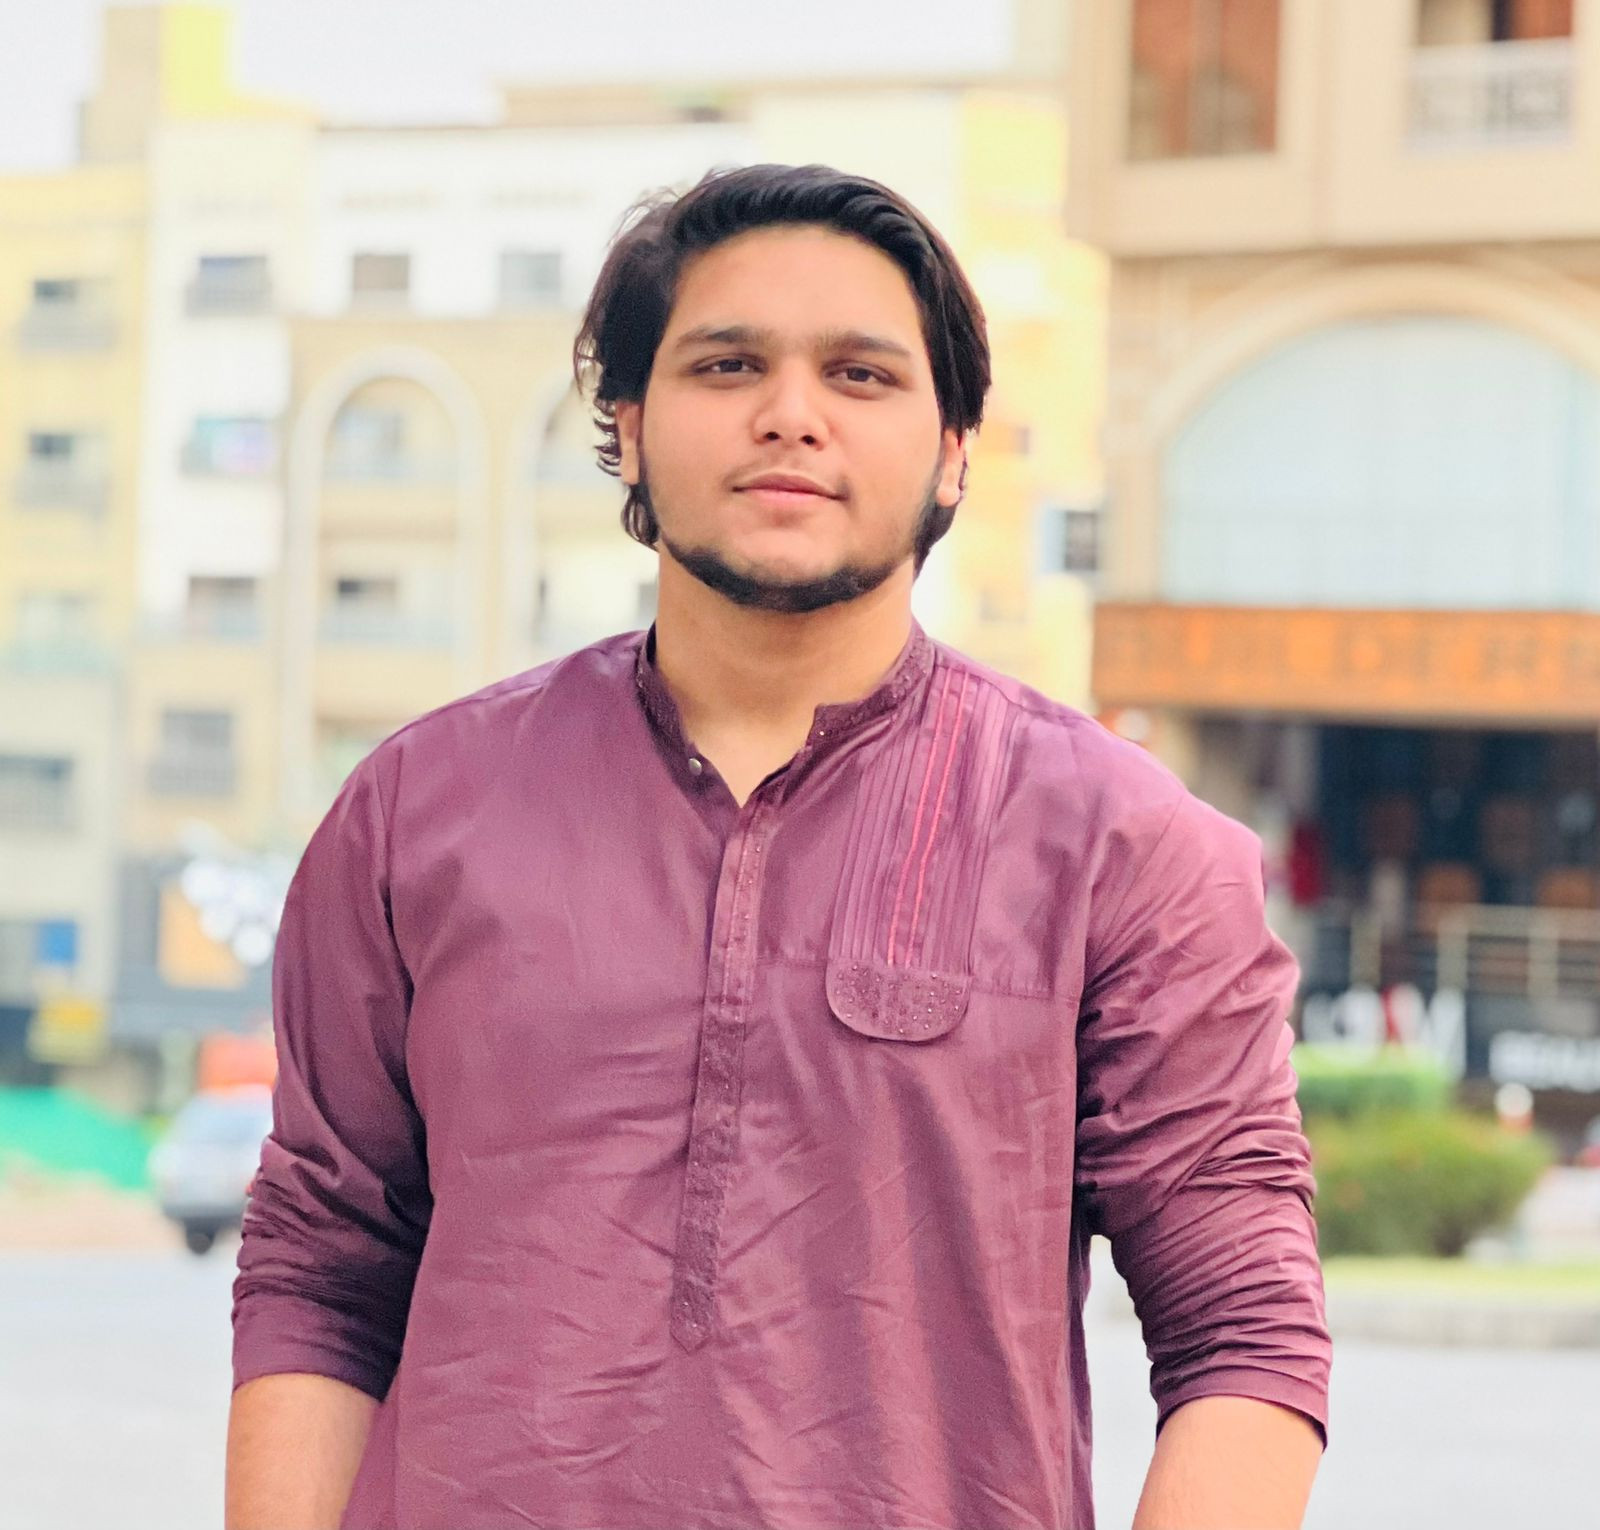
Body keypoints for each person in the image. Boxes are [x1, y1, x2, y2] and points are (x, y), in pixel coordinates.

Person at [227, 163, 1330, 1530]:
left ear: (954, 451)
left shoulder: (1124, 845)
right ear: (629, 428)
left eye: (861, 375)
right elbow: (323, 1266)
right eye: (727, 364)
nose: (791, 413)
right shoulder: (417, 809)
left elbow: (1242, 1328)